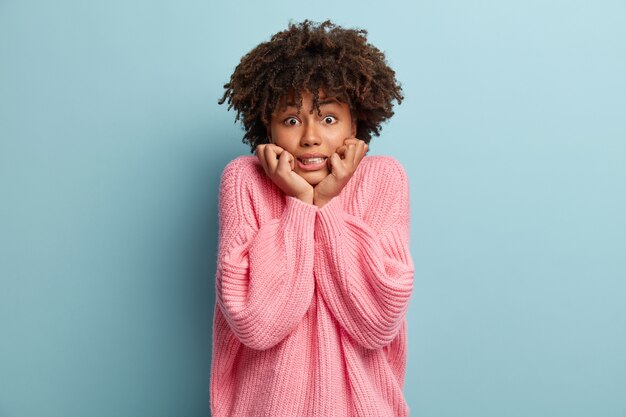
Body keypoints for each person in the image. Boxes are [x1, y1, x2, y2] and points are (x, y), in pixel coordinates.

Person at [212, 20, 414, 416]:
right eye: (291, 120)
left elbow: (377, 321)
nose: (310, 137)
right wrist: (303, 204)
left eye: (328, 119)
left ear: (355, 124)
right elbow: (255, 324)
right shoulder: (244, 180)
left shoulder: (384, 178)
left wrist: (329, 204)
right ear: (266, 128)